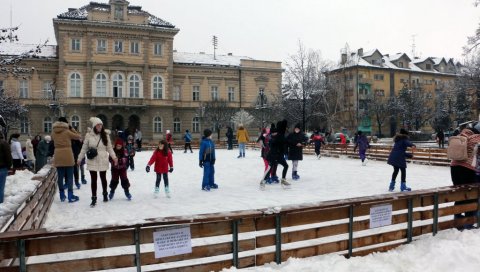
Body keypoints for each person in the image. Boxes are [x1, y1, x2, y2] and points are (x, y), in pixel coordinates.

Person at [78, 117, 117, 207]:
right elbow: (84, 148)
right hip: (93, 159)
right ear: (94, 126)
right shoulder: (89, 135)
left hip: (103, 159)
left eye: (101, 125)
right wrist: (79, 158)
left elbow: (109, 148)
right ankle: (94, 198)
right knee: (93, 180)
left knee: (103, 178)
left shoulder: (105, 135)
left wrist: (114, 157)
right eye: (98, 125)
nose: (100, 126)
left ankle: (105, 194)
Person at [452, 124, 480, 229]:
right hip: (467, 168)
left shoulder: (461, 135)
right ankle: (468, 221)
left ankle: (457, 218)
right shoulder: (477, 138)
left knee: (460, 193)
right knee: (470, 194)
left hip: (454, 167)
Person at [51, 117, 82, 202]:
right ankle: (70, 195)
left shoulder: (53, 132)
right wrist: (71, 128)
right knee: (69, 176)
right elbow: (78, 136)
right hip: (67, 154)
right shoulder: (67, 131)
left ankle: (62, 195)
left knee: (60, 176)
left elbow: (52, 139)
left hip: (58, 154)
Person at [261, 120, 290, 189]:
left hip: (279, 155)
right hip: (273, 155)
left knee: (286, 166)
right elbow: (273, 142)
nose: (275, 133)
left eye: (275, 132)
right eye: (273, 133)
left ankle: (283, 180)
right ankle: (263, 181)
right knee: (269, 168)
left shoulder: (280, 135)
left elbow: (284, 141)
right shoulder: (273, 137)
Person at [0, 132, 13, 204]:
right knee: (1, 187)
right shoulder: (4, 143)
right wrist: (9, 166)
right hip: (2, 168)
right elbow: (8, 156)